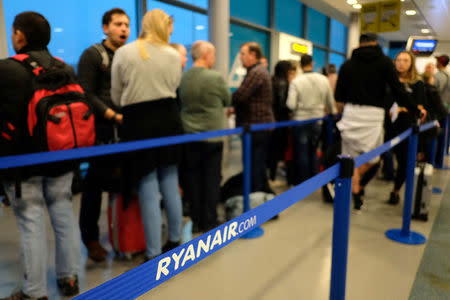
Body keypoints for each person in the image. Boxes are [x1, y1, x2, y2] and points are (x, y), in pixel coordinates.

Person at [0, 12, 79, 299]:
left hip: (23, 161)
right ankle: (69, 279)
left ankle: (34, 292)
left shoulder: (7, 69)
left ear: (20, 36)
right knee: (63, 214)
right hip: (62, 153)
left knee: (31, 220)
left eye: (14, 32)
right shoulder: (64, 68)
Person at [111, 9, 183, 261]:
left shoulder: (125, 52)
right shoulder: (173, 55)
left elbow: (116, 94)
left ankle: (153, 253)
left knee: (148, 186)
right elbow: (175, 86)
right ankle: (175, 240)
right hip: (169, 118)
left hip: (138, 121)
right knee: (170, 183)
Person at [335, 33, 426, 210]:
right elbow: (399, 91)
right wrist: (416, 110)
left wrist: (340, 113)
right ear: (376, 43)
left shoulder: (347, 65)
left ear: (359, 44)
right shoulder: (384, 63)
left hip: (351, 113)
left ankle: (350, 190)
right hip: (373, 116)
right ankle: (353, 191)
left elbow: (339, 97)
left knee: (348, 159)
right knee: (373, 159)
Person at [77, 7, 130, 263]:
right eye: (118, 24)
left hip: (126, 130)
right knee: (94, 188)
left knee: (124, 183)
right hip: (101, 131)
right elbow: (86, 93)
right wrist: (112, 115)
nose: (124, 29)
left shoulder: (129, 56)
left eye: (127, 25)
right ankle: (91, 240)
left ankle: (124, 235)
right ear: (105, 28)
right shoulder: (93, 55)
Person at [178, 41, 231, 232]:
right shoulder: (215, 78)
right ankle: (209, 221)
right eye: (214, 54)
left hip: (189, 136)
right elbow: (227, 100)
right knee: (211, 180)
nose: (214, 58)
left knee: (193, 180)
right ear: (206, 54)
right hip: (212, 136)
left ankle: (196, 219)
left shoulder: (183, 78)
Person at [286, 54, 337, 183]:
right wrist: (333, 112)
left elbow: (290, 104)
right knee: (314, 150)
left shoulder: (296, 81)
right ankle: (314, 178)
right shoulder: (323, 80)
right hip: (317, 121)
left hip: (301, 120)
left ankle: (304, 181)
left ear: (300, 65)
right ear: (312, 63)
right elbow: (330, 102)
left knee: (301, 152)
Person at [232, 42, 275, 192]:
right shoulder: (257, 71)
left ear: (253, 55)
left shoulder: (256, 72)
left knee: (254, 166)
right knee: (258, 165)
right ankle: (262, 196)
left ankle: (256, 201)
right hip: (259, 126)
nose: (241, 57)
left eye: (243, 54)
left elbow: (240, 96)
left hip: (257, 128)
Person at [387, 51, 428, 205]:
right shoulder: (389, 81)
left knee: (404, 162)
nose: (401, 63)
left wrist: (402, 109)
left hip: (405, 127)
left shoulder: (417, 83)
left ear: (411, 63)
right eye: (398, 60)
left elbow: (420, 108)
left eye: (405, 60)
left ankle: (395, 190)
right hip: (387, 125)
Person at [267, 60, 296, 180]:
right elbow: (286, 105)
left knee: (272, 148)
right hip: (282, 120)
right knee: (284, 148)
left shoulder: (271, 80)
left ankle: (271, 174)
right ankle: (287, 176)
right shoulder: (286, 83)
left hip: (271, 120)